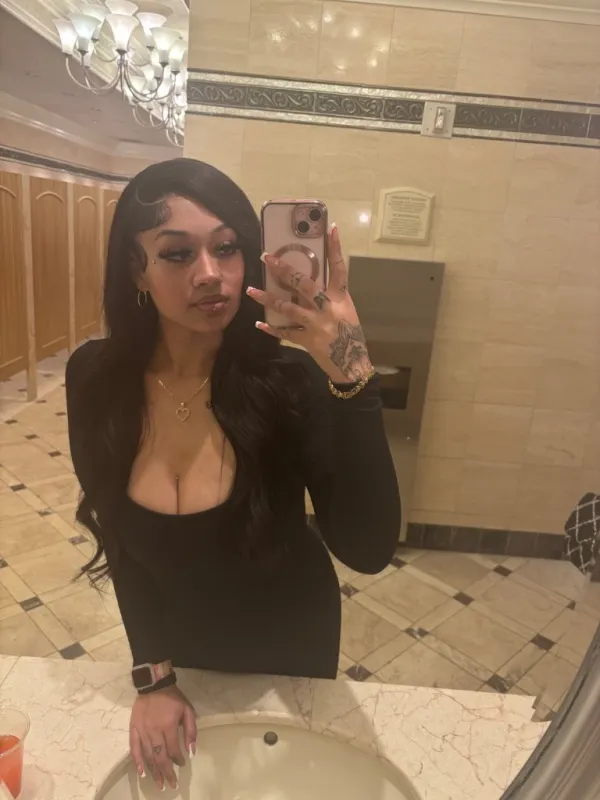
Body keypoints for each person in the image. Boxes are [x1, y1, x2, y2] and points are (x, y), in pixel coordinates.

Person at [66, 158, 401, 790]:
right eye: (176, 254)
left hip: (292, 649)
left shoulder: (288, 382)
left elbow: (369, 549)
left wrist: (353, 376)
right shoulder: (95, 380)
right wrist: (153, 677)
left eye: (226, 248)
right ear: (135, 269)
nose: (209, 274)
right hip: (182, 652)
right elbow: (123, 544)